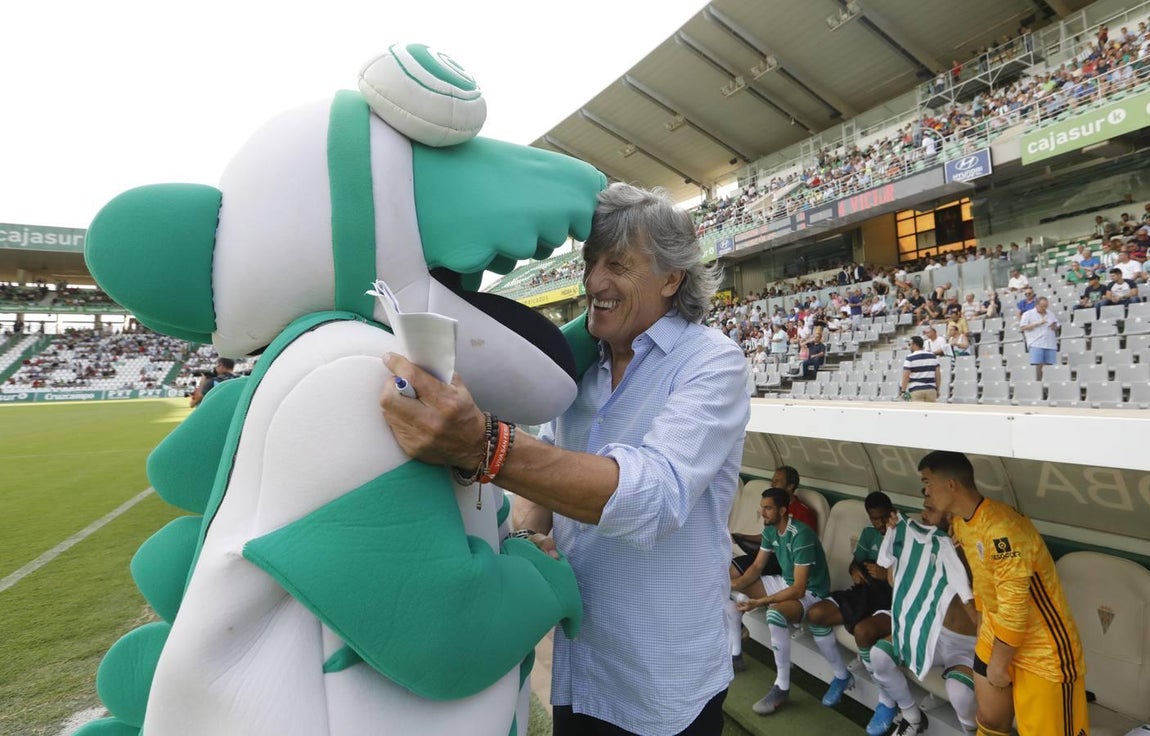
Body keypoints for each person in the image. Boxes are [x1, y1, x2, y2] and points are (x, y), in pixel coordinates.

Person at [380, 182, 750, 736]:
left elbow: (653, 497)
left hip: (664, 680)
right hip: (583, 664)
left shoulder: (713, 361)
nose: (594, 282)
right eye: (591, 262)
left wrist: (484, 445)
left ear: (672, 279)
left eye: (618, 266)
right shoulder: (582, 367)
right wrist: (530, 534)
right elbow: (550, 469)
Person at [919, 451, 1087, 736]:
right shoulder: (962, 522)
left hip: (1042, 650)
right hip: (994, 634)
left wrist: (998, 664)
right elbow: (983, 582)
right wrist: (984, 625)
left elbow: (1015, 607)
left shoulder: (1002, 529)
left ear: (951, 485)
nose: (924, 492)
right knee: (990, 719)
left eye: (927, 483)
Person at [864, 489, 978, 736]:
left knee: (960, 692)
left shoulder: (974, 546)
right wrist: (899, 542)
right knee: (880, 655)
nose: (923, 515)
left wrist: (958, 555)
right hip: (931, 632)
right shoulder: (924, 540)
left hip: (968, 646)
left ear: (951, 516)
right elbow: (896, 581)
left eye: (930, 509)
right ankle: (912, 717)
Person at [729, 487, 835, 717]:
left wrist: (761, 601)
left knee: (774, 615)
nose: (762, 512)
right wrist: (735, 585)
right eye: (762, 507)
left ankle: (782, 687)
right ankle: (735, 654)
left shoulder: (801, 534)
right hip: (785, 582)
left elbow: (798, 589)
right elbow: (757, 567)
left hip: (812, 592)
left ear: (783, 510)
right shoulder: (769, 530)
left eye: (767, 508)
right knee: (729, 590)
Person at [1019, 297, 1059, 381]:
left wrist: (1054, 326)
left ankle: (1048, 385)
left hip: (1050, 343)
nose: (1044, 308)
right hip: (1036, 343)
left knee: (1049, 365)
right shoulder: (1028, 314)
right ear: (1036, 305)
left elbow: (1057, 324)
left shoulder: (1050, 313)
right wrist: (1038, 323)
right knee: (1037, 365)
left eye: (1046, 306)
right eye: (1042, 306)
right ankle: (1038, 384)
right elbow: (1023, 327)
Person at [900, 336, 940, 402]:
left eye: (910, 344)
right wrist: (937, 389)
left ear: (914, 344)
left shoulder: (910, 357)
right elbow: (938, 375)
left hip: (916, 390)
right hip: (931, 389)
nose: (909, 346)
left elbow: (906, 376)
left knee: (917, 411)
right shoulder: (932, 356)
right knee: (930, 411)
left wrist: (903, 391)